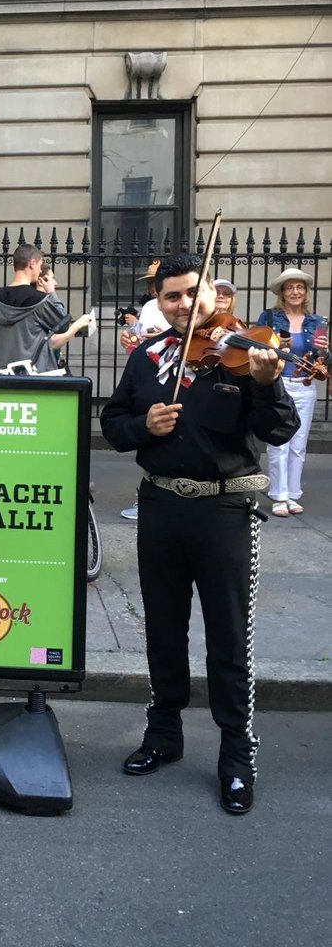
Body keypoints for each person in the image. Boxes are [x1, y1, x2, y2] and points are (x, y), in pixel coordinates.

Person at [100, 253, 299, 815]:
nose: (184, 305)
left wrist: (267, 385)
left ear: (211, 292)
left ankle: (237, 754)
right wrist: (144, 426)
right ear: (159, 303)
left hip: (225, 512)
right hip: (161, 506)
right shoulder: (147, 357)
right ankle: (164, 734)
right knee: (163, 630)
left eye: (192, 293)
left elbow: (278, 429)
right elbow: (113, 424)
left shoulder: (244, 353)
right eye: (172, 297)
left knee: (229, 640)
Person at [257, 268, 329, 517]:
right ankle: (279, 495)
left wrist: (326, 352)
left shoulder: (317, 322)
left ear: (305, 292)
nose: (295, 292)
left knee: (298, 443)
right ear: (282, 293)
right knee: (278, 442)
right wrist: (275, 344)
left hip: (305, 386)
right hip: (278, 382)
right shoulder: (269, 318)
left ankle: (293, 494)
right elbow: (256, 348)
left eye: (300, 287)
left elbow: (321, 362)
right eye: (290, 288)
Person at [118, 261, 171, 520]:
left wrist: (165, 335)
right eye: (150, 283)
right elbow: (136, 342)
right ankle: (146, 497)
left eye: (155, 282)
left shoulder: (176, 307)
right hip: (151, 371)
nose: (152, 287)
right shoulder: (150, 306)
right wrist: (130, 339)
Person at [0, 244, 71, 370]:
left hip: (2, 377)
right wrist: (51, 292)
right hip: (34, 380)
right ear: (32, 263)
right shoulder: (40, 301)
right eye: (40, 265)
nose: (40, 271)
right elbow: (62, 324)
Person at [36, 262, 93, 371]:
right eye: (52, 278)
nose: (55, 283)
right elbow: (53, 341)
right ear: (42, 281)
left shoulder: (43, 303)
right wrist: (77, 325)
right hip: (42, 368)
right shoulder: (40, 305)